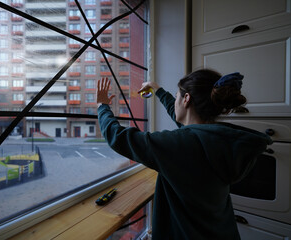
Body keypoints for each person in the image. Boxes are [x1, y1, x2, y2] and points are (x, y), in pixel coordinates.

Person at [96, 69, 272, 240]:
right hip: (222, 231)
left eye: (177, 96)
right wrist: (157, 89)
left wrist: (102, 106)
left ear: (186, 99)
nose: (175, 102)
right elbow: (185, 121)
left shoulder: (178, 145)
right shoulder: (220, 140)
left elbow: (118, 137)